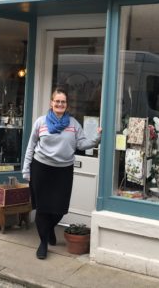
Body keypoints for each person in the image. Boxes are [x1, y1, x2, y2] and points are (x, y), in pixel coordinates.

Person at [22, 87, 101, 259]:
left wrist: (96, 138)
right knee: (42, 208)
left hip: (63, 171)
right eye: (57, 101)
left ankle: (49, 229)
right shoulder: (41, 122)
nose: (59, 104)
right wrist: (26, 169)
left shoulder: (73, 124)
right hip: (41, 168)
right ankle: (43, 243)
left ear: (67, 105)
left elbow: (82, 144)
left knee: (59, 209)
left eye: (63, 101)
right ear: (51, 103)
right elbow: (31, 146)